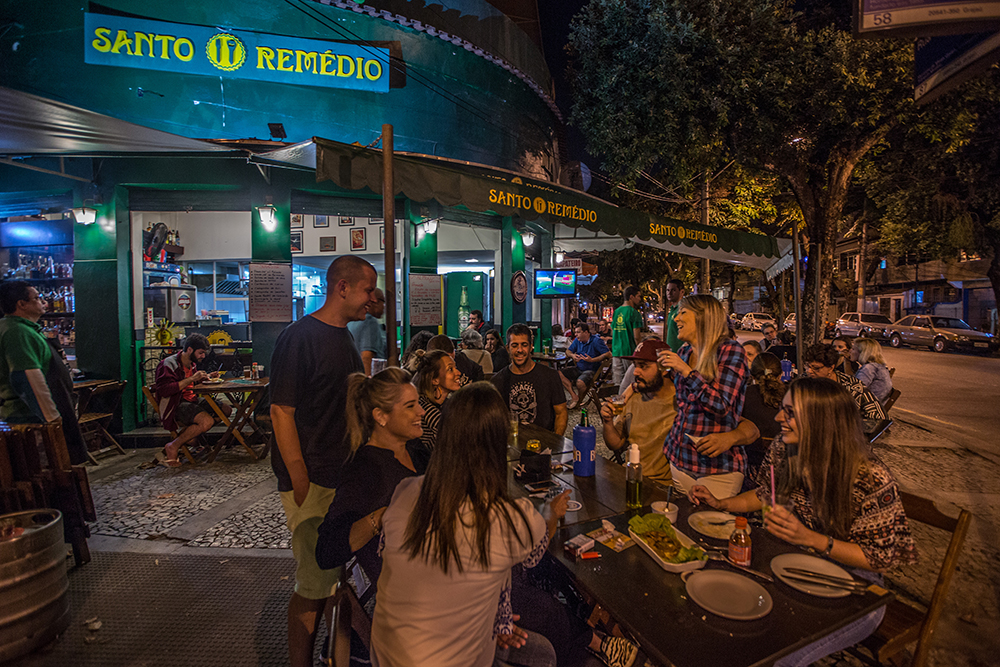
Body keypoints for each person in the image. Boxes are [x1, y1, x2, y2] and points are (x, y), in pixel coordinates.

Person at [689, 377, 916, 667]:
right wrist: (722, 504)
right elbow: (766, 494)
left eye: (790, 412)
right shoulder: (786, 449)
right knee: (732, 620)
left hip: (856, 587)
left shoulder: (870, 477)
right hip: (792, 562)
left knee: (779, 657)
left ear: (821, 421)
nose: (777, 417)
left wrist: (811, 539)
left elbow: (882, 557)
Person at [370, 382, 570, 667]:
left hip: (388, 654)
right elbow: (534, 556)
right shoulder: (513, 519)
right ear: (499, 442)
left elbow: (390, 557)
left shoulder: (406, 491)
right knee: (545, 655)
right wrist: (551, 514)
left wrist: (491, 616)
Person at [269, 255, 377, 667]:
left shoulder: (345, 336)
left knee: (333, 579)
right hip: (314, 481)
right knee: (314, 583)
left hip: (341, 475)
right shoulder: (299, 337)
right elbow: (282, 410)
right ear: (342, 287)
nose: (372, 298)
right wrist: (299, 477)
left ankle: (331, 655)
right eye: (368, 290)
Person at [315, 368, 427, 664]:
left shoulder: (416, 451)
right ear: (381, 416)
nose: (422, 411)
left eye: (418, 403)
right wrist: (381, 517)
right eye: (411, 406)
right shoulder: (364, 470)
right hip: (416, 605)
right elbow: (326, 551)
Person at [656, 295, 756, 499]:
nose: (676, 318)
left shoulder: (730, 351)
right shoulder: (684, 352)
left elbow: (721, 405)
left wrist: (686, 371)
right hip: (680, 458)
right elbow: (683, 404)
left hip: (718, 468)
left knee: (711, 527)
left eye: (683, 312)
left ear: (704, 317)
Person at [0, 280, 87, 465]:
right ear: (21, 304)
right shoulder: (17, 332)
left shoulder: (26, 329)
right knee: (44, 471)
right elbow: (27, 378)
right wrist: (52, 418)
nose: (43, 302)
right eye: (37, 298)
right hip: (29, 419)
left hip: (37, 416)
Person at [601, 339, 675, 485]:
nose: (635, 371)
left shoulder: (681, 403)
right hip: (629, 478)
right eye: (635, 365)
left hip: (662, 486)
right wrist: (608, 423)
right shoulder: (634, 398)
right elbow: (616, 444)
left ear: (664, 368)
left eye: (644, 366)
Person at [153, 333, 230, 467]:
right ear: (189, 350)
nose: (203, 356)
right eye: (200, 353)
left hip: (192, 400)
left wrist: (206, 377)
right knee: (206, 421)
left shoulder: (191, 363)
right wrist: (192, 379)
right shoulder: (168, 365)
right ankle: (173, 445)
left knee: (226, 410)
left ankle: (192, 435)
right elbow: (165, 390)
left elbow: (190, 384)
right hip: (175, 404)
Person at [491, 324, 568, 436]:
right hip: (512, 445)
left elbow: (561, 412)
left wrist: (555, 441)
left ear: (531, 346)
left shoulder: (550, 376)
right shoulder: (498, 381)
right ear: (508, 348)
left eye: (524, 345)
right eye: (514, 345)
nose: (519, 350)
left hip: (544, 444)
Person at [802, 343, 886, 423]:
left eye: (816, 368)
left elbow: (879, 418)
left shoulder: (852, 387)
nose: (809, 371)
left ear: (831, 368)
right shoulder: (804, 380)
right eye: (807, 366)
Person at [740, 353, 786, 476]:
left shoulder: (743, 395)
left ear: (752, 376)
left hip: (750, 467)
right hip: (785, 467)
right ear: (781, 374)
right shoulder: (792, 395)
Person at [411, 349, 461, 452]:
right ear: (435, 380)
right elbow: (458, 439)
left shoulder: (445, 404)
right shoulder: (424, 407)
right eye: (450, 369)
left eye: (455, 367)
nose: (458, 373)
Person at [561, 322, 611, 409]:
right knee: (558, 374)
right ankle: (574, 397)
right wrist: (573, 356)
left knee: (580, 382)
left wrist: (592, 360)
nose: (576, 334)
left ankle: (578, 402)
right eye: (575, 332)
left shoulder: (596, 340)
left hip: (592, 370)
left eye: (578, 332)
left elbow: (608, 354)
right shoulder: (577, 340)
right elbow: (568, 351)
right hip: (579, 368)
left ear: (586, 332)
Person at [347, 287, 387, 375]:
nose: (384, 306)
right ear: (374, 302)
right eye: (383, 301)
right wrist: (367, 384)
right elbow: (367, 357)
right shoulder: (370, 322)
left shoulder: (351, 322)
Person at [611, 286, 643, 386]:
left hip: (616, 351)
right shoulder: (634, 313)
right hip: (629, 352)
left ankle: (618, 399)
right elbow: (637, 337)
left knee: (618, 382)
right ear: (631, 297)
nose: (640, 299)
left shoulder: (616, 312)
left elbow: (613, 331)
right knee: (631, 382)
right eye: (638, 296)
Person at [853, 338, 893, 404]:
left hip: (868, 408)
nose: (850, 351)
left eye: (853, 349)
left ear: (862, 352)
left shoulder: (869, 368)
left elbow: (856, 390)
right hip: (876, 405)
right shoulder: (878, 367)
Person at [664, 278, 685, 352]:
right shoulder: (672, 310)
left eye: (673, 290)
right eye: (668, 290)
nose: (669, 293)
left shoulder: (683, 309)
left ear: (682, 292)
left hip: (681, 354)